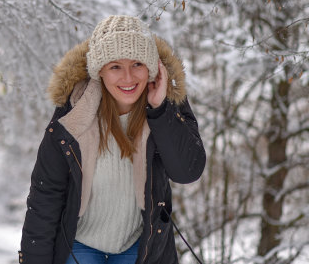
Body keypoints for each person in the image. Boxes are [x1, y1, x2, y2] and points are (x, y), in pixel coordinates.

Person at [19, 15, 206, 264]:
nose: (128, 78)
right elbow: (46, 193)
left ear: (151, 68)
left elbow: (188, 172)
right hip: (80, 245)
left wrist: (160, 110)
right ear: (100, 71)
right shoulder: (75, 110)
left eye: (137, 64)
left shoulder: (168, 104)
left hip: (139, 246)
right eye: (115, 66)